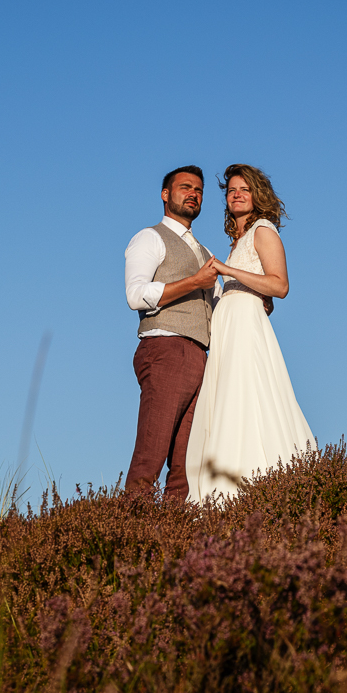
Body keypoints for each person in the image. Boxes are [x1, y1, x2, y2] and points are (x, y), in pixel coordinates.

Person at [185, 164, 317, 502]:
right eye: (231, 191)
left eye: (244, 189)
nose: (237, 194)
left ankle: (253, 481)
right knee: (226, 399)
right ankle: (227, 484)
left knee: (247, 395)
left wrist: (228, 271)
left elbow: (280, 285)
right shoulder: (237, 240)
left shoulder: (263, 230)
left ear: (257, 196)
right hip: (227, 327)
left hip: (245, 325)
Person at [123, 166, 221, 501]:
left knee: (186, 465)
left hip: (200, 356)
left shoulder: (205, 253)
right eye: (185, 187)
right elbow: (135, 295)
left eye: (199, 190)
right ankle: (130, 534)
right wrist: (194, 282)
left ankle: (174, 541)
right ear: (166, 194)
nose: (193, 193)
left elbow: (220, 308)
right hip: (165, 348)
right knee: (152, 452)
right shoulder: (149, 237)